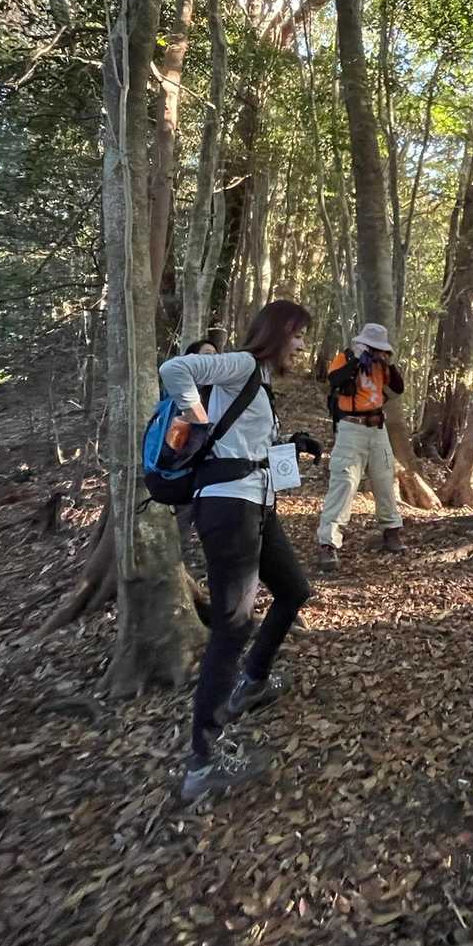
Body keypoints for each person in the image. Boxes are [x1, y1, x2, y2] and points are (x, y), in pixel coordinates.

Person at [160, 300, 320, 802]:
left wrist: (291, 445)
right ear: (276, 333)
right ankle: (202, 761)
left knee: (293, 591)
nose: (301, 345)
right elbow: (175, 369)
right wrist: (196, 418)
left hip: (258, 507)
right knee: (233, 625)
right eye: (297, 335)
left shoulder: (261, 381)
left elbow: (250, 447)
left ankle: (252, 681)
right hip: (230, 509)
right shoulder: (243, 363)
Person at [317, 322, 405, 571]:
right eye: (373, 348)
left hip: (377, 428)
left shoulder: (381, 366)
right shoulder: (345, 358)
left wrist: (389, 363)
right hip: (351, 427)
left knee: (384, 479)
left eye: (380, 349)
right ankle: (328, 542)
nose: (376, 352)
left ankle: (391, 531)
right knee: (344, 482)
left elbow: (398, 388)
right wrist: (357, 359)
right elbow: (335, 380)